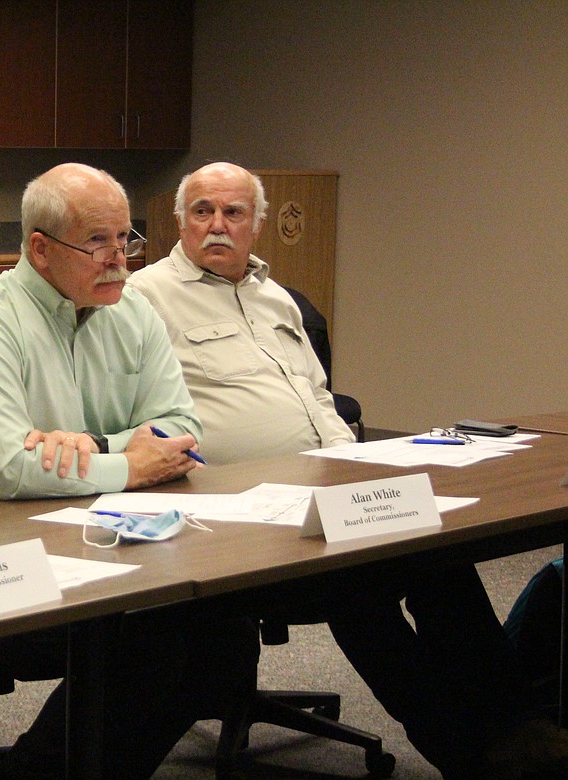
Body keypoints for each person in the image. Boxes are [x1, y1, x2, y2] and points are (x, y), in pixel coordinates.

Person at [129, 161, 568, 780]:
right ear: (179, 220)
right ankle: (472, 755)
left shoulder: (276, 298)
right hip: (237, 515)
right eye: (202, 211)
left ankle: (514, 728)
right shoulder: (143, 301)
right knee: (361, 589)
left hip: (327, 490)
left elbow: (319, 400)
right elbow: (143, 421)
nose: (217, 226)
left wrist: (361, 469)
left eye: (233, 213)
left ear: (256, 225)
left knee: (441, 556)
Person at [0, 162, 259, 779]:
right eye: (97, 242)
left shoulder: (133, 312)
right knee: (150, 640)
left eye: (126, 239)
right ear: (40, 250)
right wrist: (129, 461)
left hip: (95, 537)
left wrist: (95, 444)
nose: (118, 258)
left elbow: (183, 429)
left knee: (220, 630)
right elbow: (10, 469)